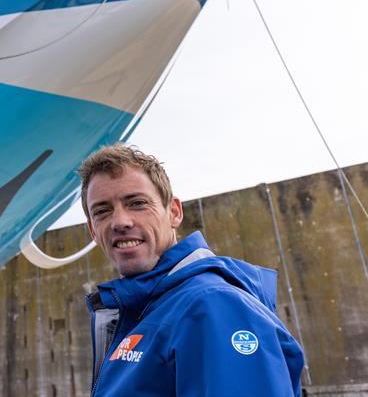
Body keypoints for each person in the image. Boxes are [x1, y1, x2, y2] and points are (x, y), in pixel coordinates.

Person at [78, 143, 304, 396]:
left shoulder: (212, 306)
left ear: (174, 212)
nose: (120, 221)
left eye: (137, 203)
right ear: (93, 231)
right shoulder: (149, 310)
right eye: (102, 211)